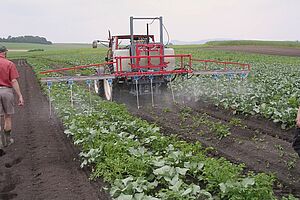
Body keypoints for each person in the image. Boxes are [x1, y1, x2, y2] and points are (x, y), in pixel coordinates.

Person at [0, 45, 24, 155]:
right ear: (4, 53)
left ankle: (0, 142)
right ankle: (7, 140)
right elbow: (13, 81)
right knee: (7, 116)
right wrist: (20, 95)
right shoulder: (9, 64)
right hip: (6, 91)